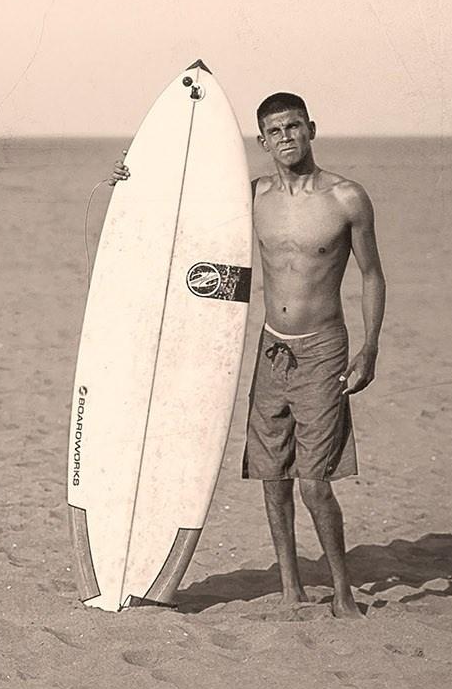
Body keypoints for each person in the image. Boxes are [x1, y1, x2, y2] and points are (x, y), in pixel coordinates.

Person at [110, 91, 384, 618]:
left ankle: (343, 591)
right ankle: (290, 585)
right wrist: (132, 177)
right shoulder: (253, 196)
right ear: (262, 142)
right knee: (272, 474)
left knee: (313, 483)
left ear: (311, 129)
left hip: (324, 348)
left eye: (294, 127)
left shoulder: (346, 198)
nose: (286, 137)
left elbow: (372, 275)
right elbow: (184, 200)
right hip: (270, 346)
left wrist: (369, 348)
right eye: (275, 131)